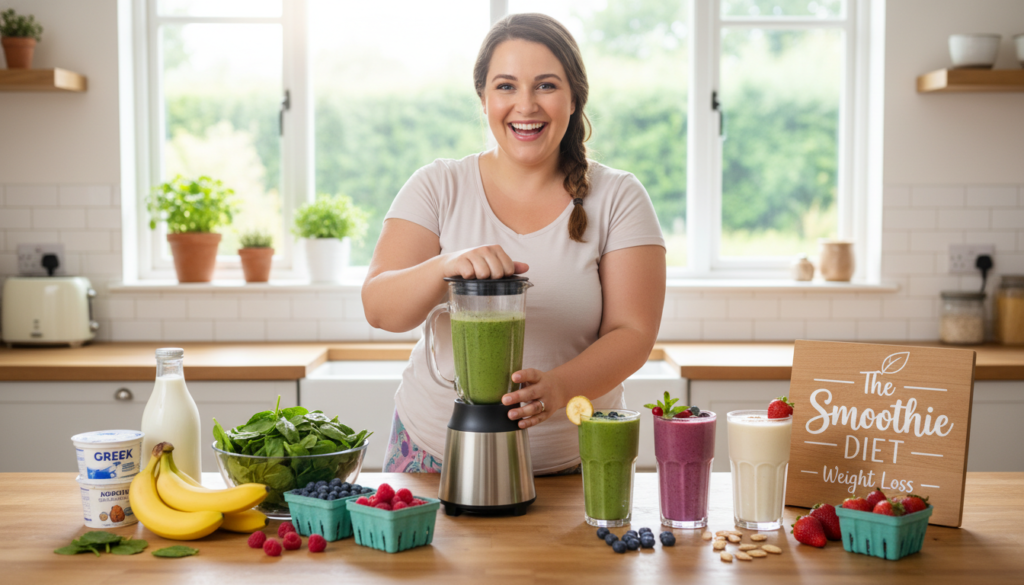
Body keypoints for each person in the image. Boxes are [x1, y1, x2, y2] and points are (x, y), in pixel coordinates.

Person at [362, 13, 666, 475]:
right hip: (433, 455)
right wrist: (448, 265)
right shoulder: (437, 185)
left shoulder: (619, 197)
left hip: (574, 464)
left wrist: (559, 388)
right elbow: (381, 309)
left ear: (574, 98)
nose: (526, 106)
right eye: (506, 86)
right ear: (483, 98)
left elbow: (633, 334)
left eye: (546, 85)